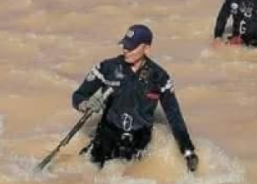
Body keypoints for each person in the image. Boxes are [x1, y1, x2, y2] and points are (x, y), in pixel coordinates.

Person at [72, 24, 199, 172]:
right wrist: (85, 105)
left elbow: (174, 115)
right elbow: (78, 96)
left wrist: (188, 151)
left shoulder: (160, 77)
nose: (125, 49)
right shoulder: (106, 68)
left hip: (139, 141)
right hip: (108, 135)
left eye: (131, 47)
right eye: (125, 45)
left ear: (146, 49)